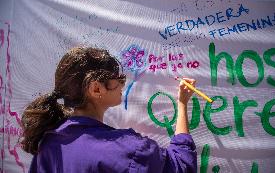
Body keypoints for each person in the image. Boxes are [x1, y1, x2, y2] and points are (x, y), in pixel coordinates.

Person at [21, 46, 197, 173]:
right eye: (117, 79)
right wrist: (182, 105)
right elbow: (182, 166)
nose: (123, 83)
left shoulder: (48, 144)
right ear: (96, 89)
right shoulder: (127, 150)